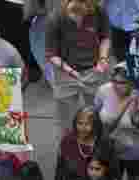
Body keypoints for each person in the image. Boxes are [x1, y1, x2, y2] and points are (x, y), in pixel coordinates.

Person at [46, 0, 110, 137]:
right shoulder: (55, 17)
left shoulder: (99, 12)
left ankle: (96, 146)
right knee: (66, 120)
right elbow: (51, 54)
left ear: (89, 7)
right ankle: (67, 148)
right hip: (64, 71)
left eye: (83, 15)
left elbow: (105, 37)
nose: (78, 21)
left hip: (93, 69)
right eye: (74, 16)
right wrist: (69, 71)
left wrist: (103, 59)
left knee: (96, 115)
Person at [54, 106, 103, 180]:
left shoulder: (104, 143)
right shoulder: (67, 141)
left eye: (88, 124)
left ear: (96, 125)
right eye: (80, 123)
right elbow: (60, 167)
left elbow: (113, 172)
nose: (83, 128)